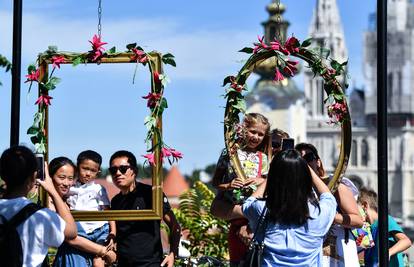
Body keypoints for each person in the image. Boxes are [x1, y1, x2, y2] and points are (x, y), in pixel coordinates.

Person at [241, 149, 337, 266]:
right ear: (305, 177)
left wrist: (272, 175)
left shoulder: (262, 209)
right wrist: (305, 168)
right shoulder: (318, 213)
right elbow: (329, 197)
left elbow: (247, 203)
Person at [0, 146, 77, 267]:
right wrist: (52, 191)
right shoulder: (41, 216)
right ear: (33, 177)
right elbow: (72, 232)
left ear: (3, 175)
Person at [211, 113, 271, 266]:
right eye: (253, 132)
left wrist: (260, 180)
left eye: (260, 134)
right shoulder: (229, 154)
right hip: (235, 216)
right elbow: (216, 181)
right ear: (244, 129)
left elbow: (268, 183)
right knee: (238, 261)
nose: (256, 137)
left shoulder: (262, 158)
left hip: (256, 220)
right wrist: (229, 185)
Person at [295, 142, 364, 266]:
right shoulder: (295, 191)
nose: (305, 163)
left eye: (309, 158)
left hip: (338, 252)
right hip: (309, 252)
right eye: (299, 159)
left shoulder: (336, 186)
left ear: (318, 162)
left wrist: (328, 216)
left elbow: (358, 220)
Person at [109, 150, 181, 267]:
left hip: (150, 264)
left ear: (135, 171)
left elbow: (174, 226)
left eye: (123, 169)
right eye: (113, 170)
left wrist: (173, 253)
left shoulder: (150, 194)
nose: (117, 173)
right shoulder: (116, 201)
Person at [49, 157, 116, 267]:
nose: (66, 183)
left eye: (70, 178)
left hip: (87, 256)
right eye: (62, 177)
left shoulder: (66, 200)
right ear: (50, 177)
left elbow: (108, 213)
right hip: (72, 258)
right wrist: (104, 251)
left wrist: (112, 235)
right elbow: (71, 239)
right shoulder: (51, 203)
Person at [359, 187, 412, 267]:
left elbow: (406, 241)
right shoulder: (365, 229)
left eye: (354, 208)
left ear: (364, 206)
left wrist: (388, 253)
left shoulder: (385, 220)